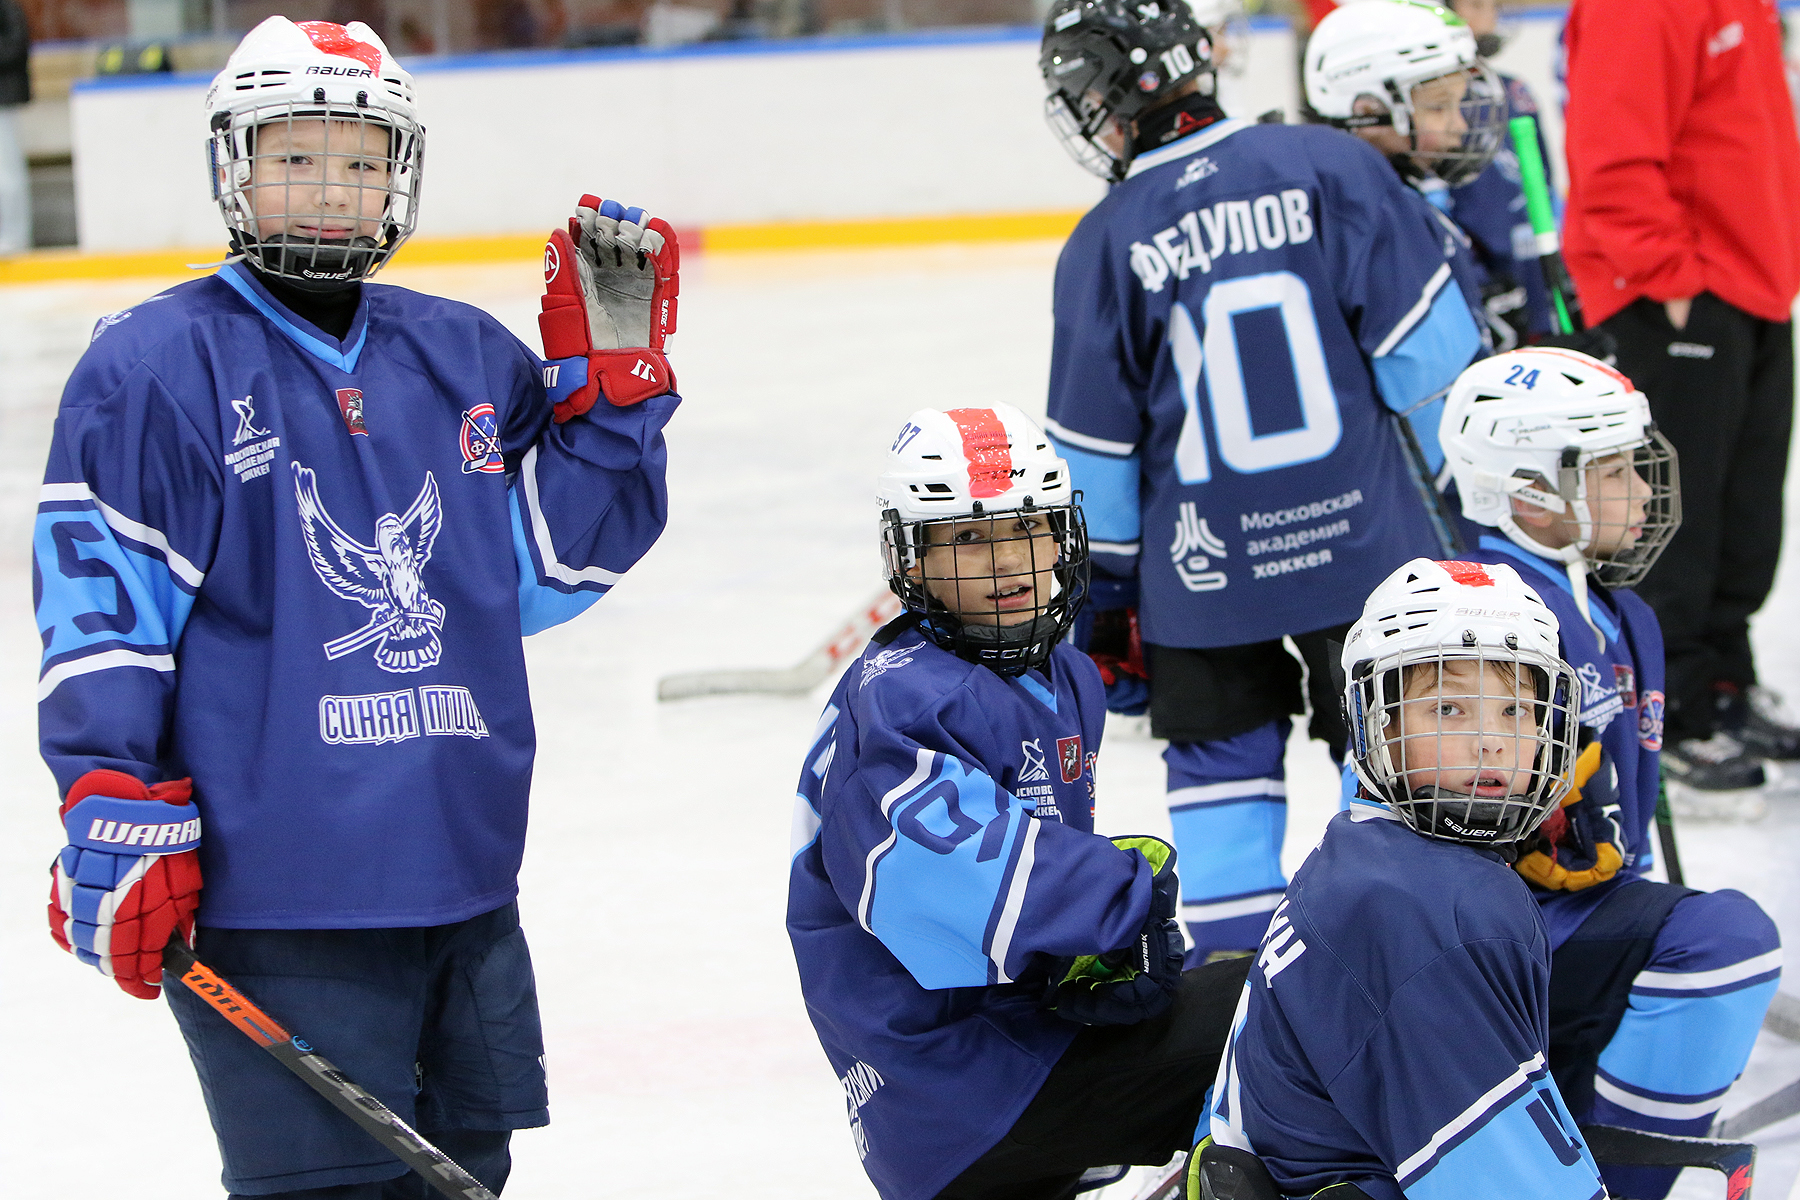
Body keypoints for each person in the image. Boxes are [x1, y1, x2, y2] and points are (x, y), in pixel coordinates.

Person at [38, 16, 680, 1198]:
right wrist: (109, 792)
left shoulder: (468, 356)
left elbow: (538, 576)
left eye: (361, 159)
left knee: (469, 1174)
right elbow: (104, 609)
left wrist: (616, 405)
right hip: (283, 895)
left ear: (401, 174)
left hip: (469, 879)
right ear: (235, 168)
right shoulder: (153, 366)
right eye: (295, 158)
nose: (332, 190)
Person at [1039, 0, 1483, 960]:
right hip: (1364, 555)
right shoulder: (1332, 167)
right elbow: (1431, 368)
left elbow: (1095, 459)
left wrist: (1109, 599)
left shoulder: (1104, 239)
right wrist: (1474, 509)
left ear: (1122, 96)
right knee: (1395, 771)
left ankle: (1241, 1007)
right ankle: (1407, 974)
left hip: (1200, 580)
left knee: (1220, 781)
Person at [787, 404, 1250, 1200]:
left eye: (1027, 529)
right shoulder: (905, 703)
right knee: (1292, 1004)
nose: (1006, 564)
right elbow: (958, 880)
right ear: (911, 561)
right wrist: (1121, 902)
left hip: (1006, 1051)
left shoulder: (1060, 671)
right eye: (969, 540)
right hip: (956, 1083)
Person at [1440, 346, 1781, 1197]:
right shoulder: (1476, 616)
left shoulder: (1616, 610)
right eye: (1612, 470)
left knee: (1683, 933)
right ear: (1525, 491)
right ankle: (1620, 1179)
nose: (1639, 490)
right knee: (1723, 947)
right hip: (1480, 947)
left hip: (1566, 921)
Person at [1208, 557, 1613, 1200]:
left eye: (1516, 710)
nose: (1491, 742)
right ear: (1379, 723)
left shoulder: (1365, 851)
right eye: (1449, 709)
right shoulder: (1432, 906)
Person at [1563, 0, 1800, 790]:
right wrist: (1666, 277)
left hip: (1753, 285)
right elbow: (1612, 150)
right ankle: (1678, 708)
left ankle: (1723, 682)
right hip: (1681, 290)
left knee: (1744, 512)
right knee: (1676, 519)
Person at [1303, 0, 1509, 350]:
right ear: (1368, 111)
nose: (1459, 126)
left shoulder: (1397, 200)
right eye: (1437, 107)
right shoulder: (1363, 222)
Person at [0, 0, 30, 254]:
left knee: (7, 173)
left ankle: (14, 238)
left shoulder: (8, 9)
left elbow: (16, 45)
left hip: (3, 101)